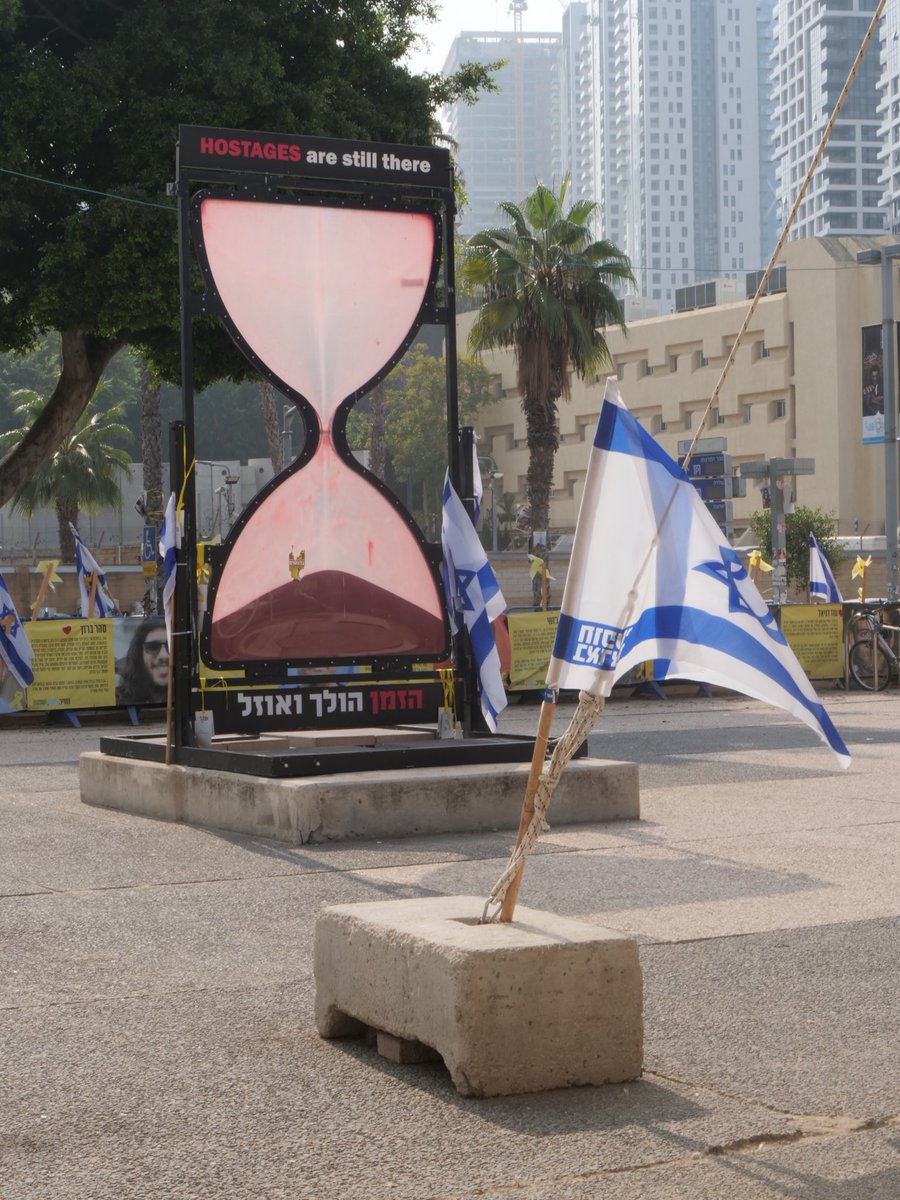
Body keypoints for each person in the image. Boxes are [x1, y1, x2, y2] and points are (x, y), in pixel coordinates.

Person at [116, 618, 169, 706]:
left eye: (170, 646)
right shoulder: (119, 698)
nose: (163, 655)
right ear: (139, 653)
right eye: (152, 646)